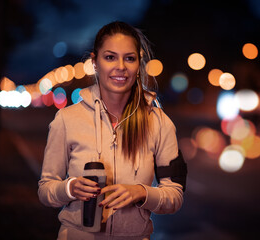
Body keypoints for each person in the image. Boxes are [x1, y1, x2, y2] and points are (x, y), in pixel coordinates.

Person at [38, 21, 187, 240]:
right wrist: (69, 188)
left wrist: (142, 193)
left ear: (139, 63)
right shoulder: (67, 119)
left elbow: (174, 195)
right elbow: (45, 190)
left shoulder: (159, 122)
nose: (121, 67)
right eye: (110, 57)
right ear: (95, 62)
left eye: (129, 58)